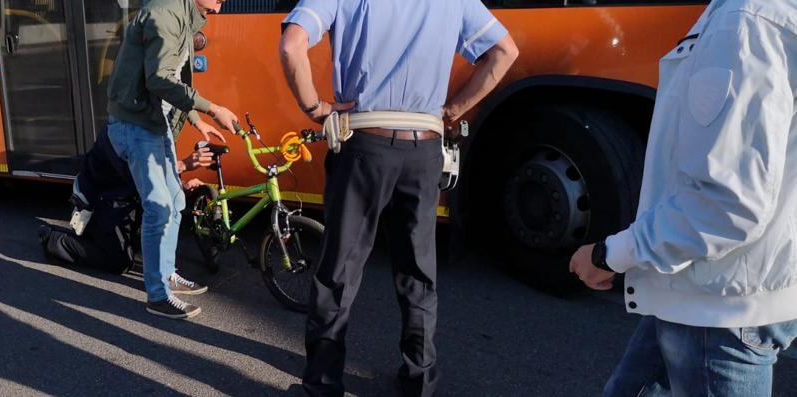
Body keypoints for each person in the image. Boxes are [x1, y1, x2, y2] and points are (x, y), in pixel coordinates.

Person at [279, 1, 518, 395]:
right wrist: (453, 109)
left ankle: (323, 385)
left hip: (362, 145)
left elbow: (292, 45)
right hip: (424, 149)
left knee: (339, 271)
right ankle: (418, 381)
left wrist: (315, 108)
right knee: (418, 273)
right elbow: (504, 51)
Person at [567, 0, 797, 395]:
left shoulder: (744, 23)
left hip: (716, 307)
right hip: (708, 288)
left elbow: (726, 204)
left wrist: (611, 254)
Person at [106, 0, 238, 319]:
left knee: (176, 202)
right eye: (218, 0)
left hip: (153, 122)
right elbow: (159, 80)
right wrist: (212, 108)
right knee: (159, 207)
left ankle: (166, 274)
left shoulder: (182, 15)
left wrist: (196, 119)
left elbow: (172, 82)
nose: (219, 9)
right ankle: (157, 295)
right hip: (136, 125)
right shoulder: (165, 14)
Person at [38, 132, 211, 299]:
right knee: (119, 262)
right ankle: (54, 240)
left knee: (157, 218)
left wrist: (181, 185)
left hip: (126, 196)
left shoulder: (146, 125)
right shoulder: (122, 130)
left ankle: (164, 272)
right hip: (102, 200)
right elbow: (141, 170)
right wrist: (183, 165)